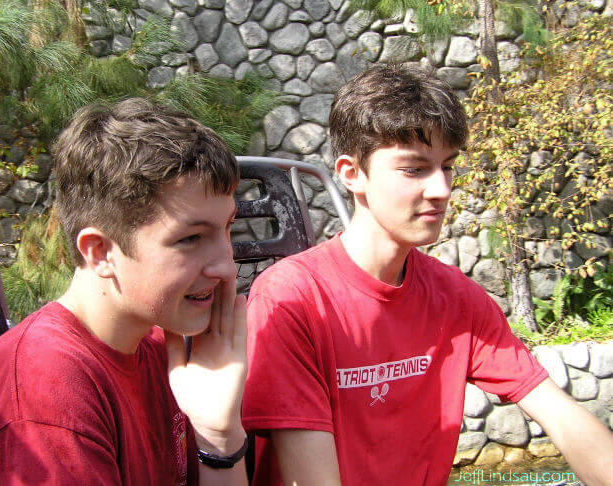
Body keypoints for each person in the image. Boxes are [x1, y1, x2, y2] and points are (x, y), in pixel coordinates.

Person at [242, 64, 613, 486]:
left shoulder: (456, 297)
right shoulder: (292, 298)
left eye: (448, 166)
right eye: (415, 169)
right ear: (351, 174)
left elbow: (560, 415)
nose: (441, 189)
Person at [0, 99, 249, 485]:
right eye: (191, 238)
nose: (227, 266)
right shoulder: (45, 395)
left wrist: (218, 436)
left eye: (227, 227)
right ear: (100, 252)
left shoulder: (155, 351)